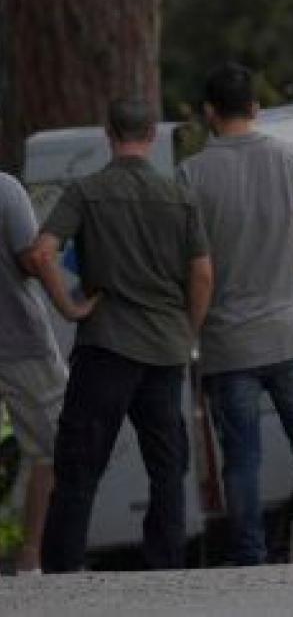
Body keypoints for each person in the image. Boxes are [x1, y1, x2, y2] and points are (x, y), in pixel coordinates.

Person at [178, 61, 293, 565]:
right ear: (255, 108)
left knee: (241, 461)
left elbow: (191, 265)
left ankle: (249, 557)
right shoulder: (292, 158)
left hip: (228, 345)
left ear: (209, 113)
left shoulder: (191, 175)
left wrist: (188, 332)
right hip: (291, 335)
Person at [25, 97, 213, 573]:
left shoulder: (86, 192)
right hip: (164, 349)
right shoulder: (180, 197)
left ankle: (63, 568)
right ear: (150, 135)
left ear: (109, 134)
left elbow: (42, 253)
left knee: (79, 465)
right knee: (167, 467)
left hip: (105, 345)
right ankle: (164, 565)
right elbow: (203, 274)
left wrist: (69, 307)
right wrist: (187, 331)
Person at [0, 172, 87, 573]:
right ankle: (34, 558)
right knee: (55, 447)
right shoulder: (5, 189)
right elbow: (33, 258)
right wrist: (70, 306)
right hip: (18, 341)